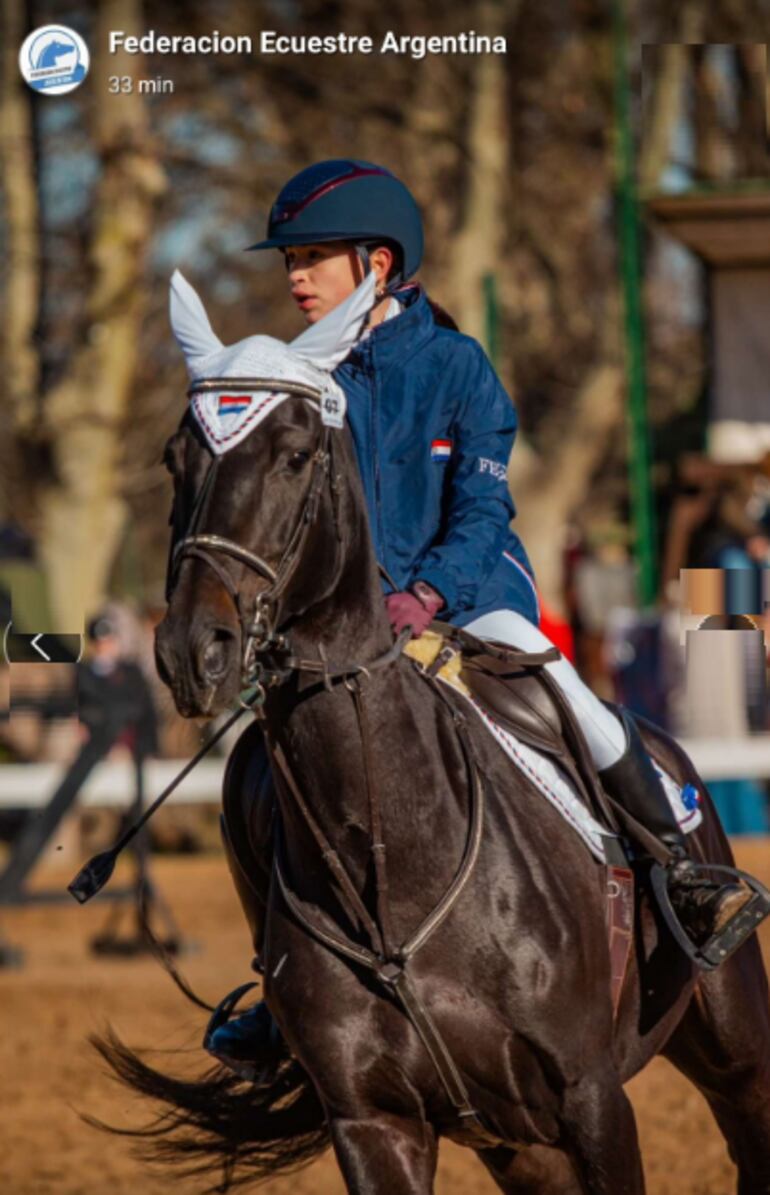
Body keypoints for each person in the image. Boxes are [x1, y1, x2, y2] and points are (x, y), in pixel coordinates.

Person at [206, 159, 755, 1071]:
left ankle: (684, 874)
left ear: (378, 263)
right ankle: (281, 980)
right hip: (352, 631)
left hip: (471, 601)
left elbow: (482, 511)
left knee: (573, 700)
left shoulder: (457, 366)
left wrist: (425, 594)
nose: (294, 277)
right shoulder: (299, 379)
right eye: (290, 261)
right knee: (255, 772)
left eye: (311, 257)